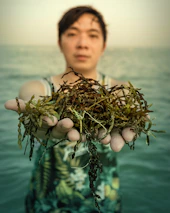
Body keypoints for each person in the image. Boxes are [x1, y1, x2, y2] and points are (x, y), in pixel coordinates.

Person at [5, 6, 136, 213]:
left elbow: (128, 103)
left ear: (103, 45)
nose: (82, 44)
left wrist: (131, 116)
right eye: (72, 34)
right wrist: (37, 116)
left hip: (104, 202)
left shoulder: (119, 91)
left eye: (92, 35)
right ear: (59, 42)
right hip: (47, 203)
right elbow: (31, 97)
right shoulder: (39, 89)